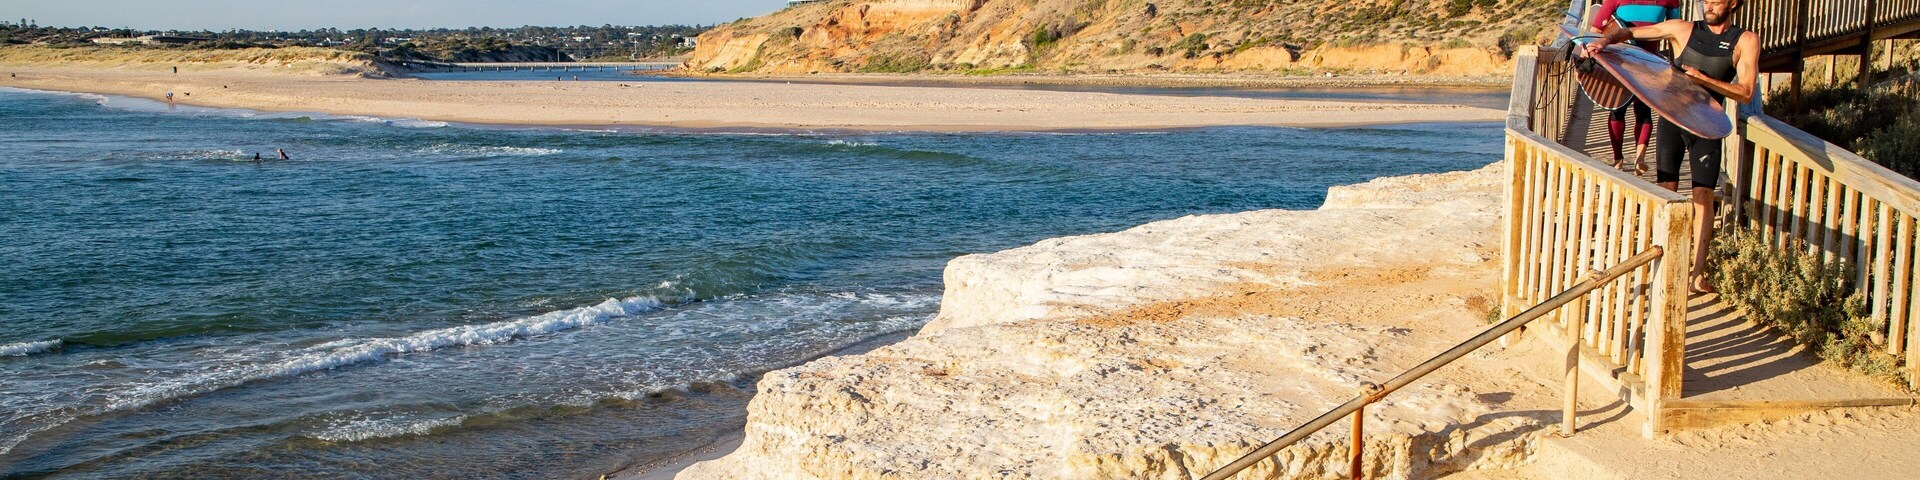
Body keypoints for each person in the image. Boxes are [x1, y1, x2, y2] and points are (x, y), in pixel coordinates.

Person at [1585, 0, 1759, 294]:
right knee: (1665, 193)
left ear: (1733, 3)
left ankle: (1697, 274)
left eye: (1717, 2)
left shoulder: (1744, 40)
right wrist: (1604, 40)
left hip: (1707, 125)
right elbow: (1634, 35)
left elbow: (1745, 92)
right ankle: (1659, 267)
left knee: (1703, 196)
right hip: (1672, 119)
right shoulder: (1683, 29)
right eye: (1707, 1)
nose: (1710, 5)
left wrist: (1703, 80)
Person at [1588, 0, 1681, 175]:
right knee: (1617, 108)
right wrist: (1587, 55)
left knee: (1644, 110)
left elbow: (1675, 32)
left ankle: (1640, 158)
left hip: (1648, 63)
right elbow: (1595, 30)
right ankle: (1618, 158)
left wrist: (1676, 65)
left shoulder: (1670, 1)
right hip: (1619, 62)